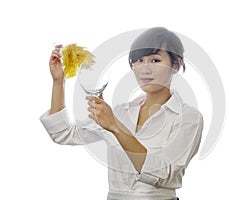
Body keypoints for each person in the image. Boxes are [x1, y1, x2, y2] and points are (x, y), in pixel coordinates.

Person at [40, 27, 203, 200]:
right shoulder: (120, 112)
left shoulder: (188, 118)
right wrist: (59, 82)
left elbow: (164, 173)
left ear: (176, 65)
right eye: (139, 60)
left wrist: (116, 127)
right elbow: (63, 134)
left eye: (155, 60)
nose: (145, 69)